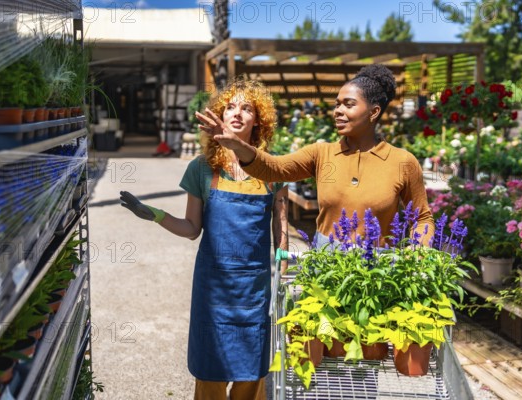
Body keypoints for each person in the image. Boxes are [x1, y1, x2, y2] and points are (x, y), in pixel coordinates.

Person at [120, 79, 288, 400]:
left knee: (252, 373)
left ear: (259, 120)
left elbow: (280, 227)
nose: (237, 113)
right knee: (210, 372)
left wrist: (282, 265)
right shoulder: (202, 168)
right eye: (230, 107)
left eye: (246, 108)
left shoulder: (272, 168)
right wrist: (153, 214)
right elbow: (191, 228)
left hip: (253, 291)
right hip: (212, 292)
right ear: (219, 118)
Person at [196, 64, 434, 245]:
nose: (338, 111)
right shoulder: (321, 153)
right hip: (326, 273)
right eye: (337, 104)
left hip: (379, 279)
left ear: (373, 112)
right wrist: (236, 144)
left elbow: (422, 218)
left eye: (348, 104)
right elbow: (272, 168)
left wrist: (418, 252)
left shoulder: (402, 162)